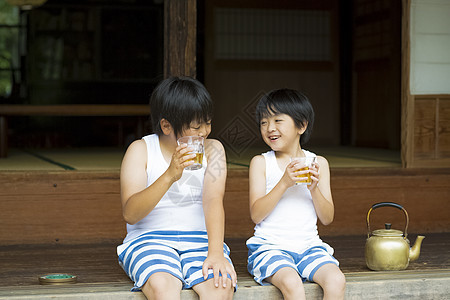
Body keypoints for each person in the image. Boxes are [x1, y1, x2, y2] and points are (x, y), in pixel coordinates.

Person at [117, 76, 237, 300]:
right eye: (196, 126)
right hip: (149, 239)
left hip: (201, 238)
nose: (204, 132)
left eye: (208, 123)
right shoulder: (141, 150)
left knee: (220, 288)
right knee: (163, 289)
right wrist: (170, 174)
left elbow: (213, 201)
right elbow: (130, 214)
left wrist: (216, 253)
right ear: (166, 125)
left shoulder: (214, 150)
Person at [246, 88, 346, 300]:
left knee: (336, 280)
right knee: (292, 283)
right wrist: (284, 182)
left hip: (309, 247)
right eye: (264, 122)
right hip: (270, 248)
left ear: (302, 125)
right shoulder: (261, 163)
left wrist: (314, 188)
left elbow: (327, 218)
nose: (269, 128)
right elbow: (256, 214)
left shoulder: (318, 163)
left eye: (277, 121)